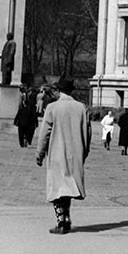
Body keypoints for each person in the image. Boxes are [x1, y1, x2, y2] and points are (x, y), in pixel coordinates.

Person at [35, 77, 91, 234]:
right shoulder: (82, 108)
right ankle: (66, 218)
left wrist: (39, 153)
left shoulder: (52, 108)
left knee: (57, 188)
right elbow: (88, 133)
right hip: (75, 154)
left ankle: (61, 220)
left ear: (58, 91)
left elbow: (44, 134)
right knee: (68, 188)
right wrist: (84, 152)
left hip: (57, 153)